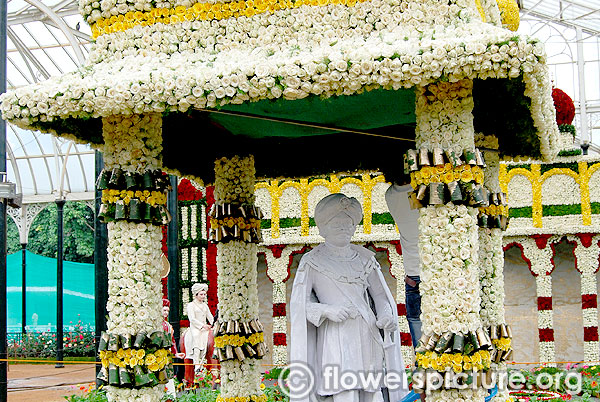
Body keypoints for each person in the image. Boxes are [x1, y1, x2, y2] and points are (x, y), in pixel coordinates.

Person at [291, 193, 408, 402]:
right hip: (336, 334)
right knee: (344, 391)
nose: (344, 229)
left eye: (348, 224)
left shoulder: (365, 258)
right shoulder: (312, 262)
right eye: (337, 225)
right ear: (324, 228)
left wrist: (385, 315)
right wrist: (327, 310)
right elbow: (301, 305)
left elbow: (380, 296)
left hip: (367, 331)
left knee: (371, 390)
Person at [385, 181, 422, 350]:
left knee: (417, 329)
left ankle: (424, 370)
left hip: (412, 277)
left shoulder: (390, 195)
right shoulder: (424, 189)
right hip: (435, 272)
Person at [184, 283, 214, 373]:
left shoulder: (205, 305)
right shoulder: (191, 305)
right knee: (196, 337)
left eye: (204, 294)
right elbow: (192, 319)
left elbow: (210, 317)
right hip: (196, 327)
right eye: (201, 294)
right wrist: (202, 325)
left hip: (205, 328)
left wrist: (213, 324)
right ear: (196, 295)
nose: (203, 296)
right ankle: (196, 363)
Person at [162, 299, 185, 395]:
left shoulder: (168, 325)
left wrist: (176, 353)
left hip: (167, 356)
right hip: (157, 355)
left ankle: (171, 396)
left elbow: (172, 341)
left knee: (169, 376)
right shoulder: (156, 324)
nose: (166, 313)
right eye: (164, 310)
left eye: (167, 311)